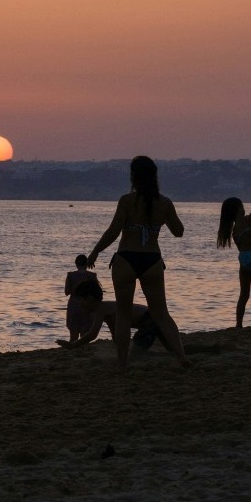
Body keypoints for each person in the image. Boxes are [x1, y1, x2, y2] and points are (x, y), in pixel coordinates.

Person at [86, 156, 190, 371]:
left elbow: (113, 231)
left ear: (133, 176)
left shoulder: (126, 201)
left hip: (126, 259)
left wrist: (95, 252)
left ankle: (122, 364)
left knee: (123, 314)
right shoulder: (165, 203)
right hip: (152, 260)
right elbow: (179, 232)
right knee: (161, 314)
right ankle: (181, 356)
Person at [55, 279, 171, 353]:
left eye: (80, 300)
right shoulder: (106, 310)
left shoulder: (101, 309)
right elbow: (116, 334)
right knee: (171, 348)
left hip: (150, 319)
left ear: (90, 299)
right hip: (153, 317)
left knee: (137, 354)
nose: (78, 303)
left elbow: (92, 335)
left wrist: (73, 345)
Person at [216, 197, 251, 329]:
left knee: (243, 294)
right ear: (239, 209)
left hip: (244, 259)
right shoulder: (249, 220)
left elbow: (241, 245)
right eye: (242, 206)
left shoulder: (234, 231)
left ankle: (239, 323)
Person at [64, 254, 99, 341]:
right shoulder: (92, 276)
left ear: (76, 264)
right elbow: (97, 293)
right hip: (88, 305)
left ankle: (73, 352)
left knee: (73, 337)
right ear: (86, 264)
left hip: (74, 305)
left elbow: (66, 292)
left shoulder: (70, 276)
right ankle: (83, 352)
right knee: (85, 335)